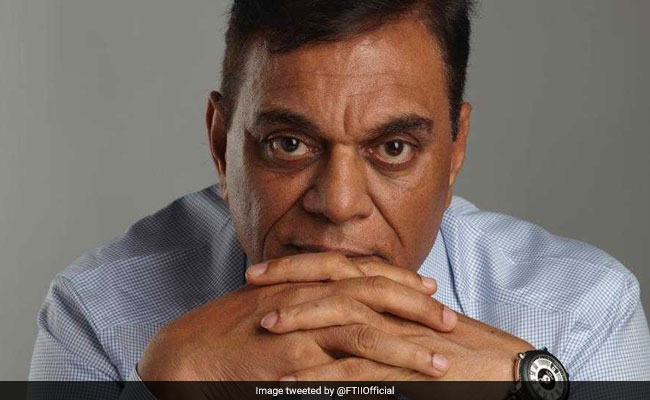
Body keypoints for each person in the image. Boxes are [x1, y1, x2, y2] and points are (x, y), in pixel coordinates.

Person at [29, 0, 650, 398]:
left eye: (394, 148)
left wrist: (534, 389)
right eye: (289, 144)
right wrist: (164, 388)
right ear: (221, 144)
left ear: (455, 149)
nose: (339, 203)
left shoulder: (580, 312)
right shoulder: (99, 315)